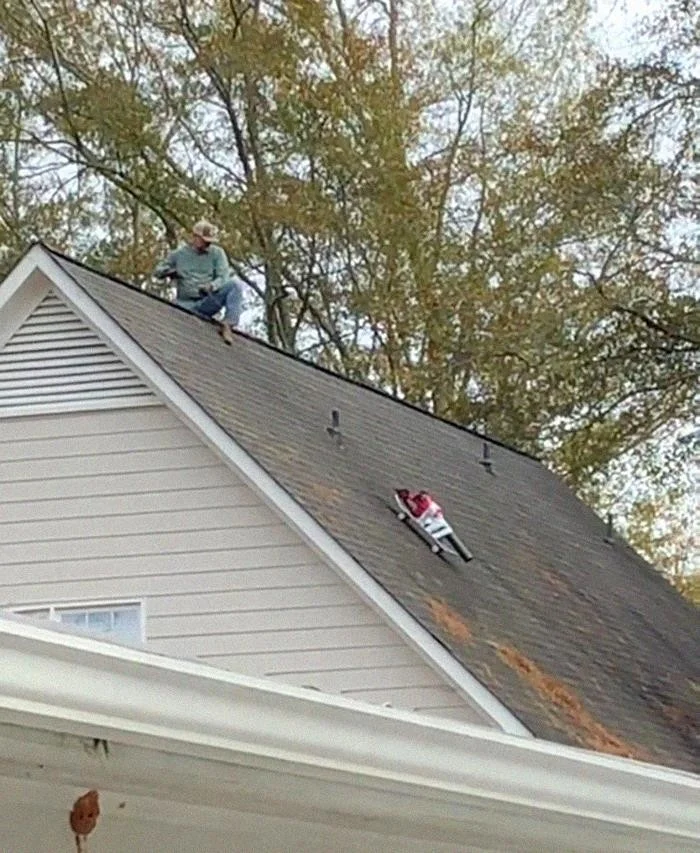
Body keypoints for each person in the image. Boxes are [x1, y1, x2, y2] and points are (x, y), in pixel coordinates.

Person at [154, 221, 243, 345]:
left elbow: (223, 277)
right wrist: (169, 272)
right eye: (204, 240)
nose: (208, 244)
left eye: (209, 241)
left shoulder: (217, 253)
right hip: (184, 304)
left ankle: (228, 324)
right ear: (195, 237)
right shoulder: (179, 255)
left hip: (206, 302)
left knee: (235, 285)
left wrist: (212, 286)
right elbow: (157, 271)